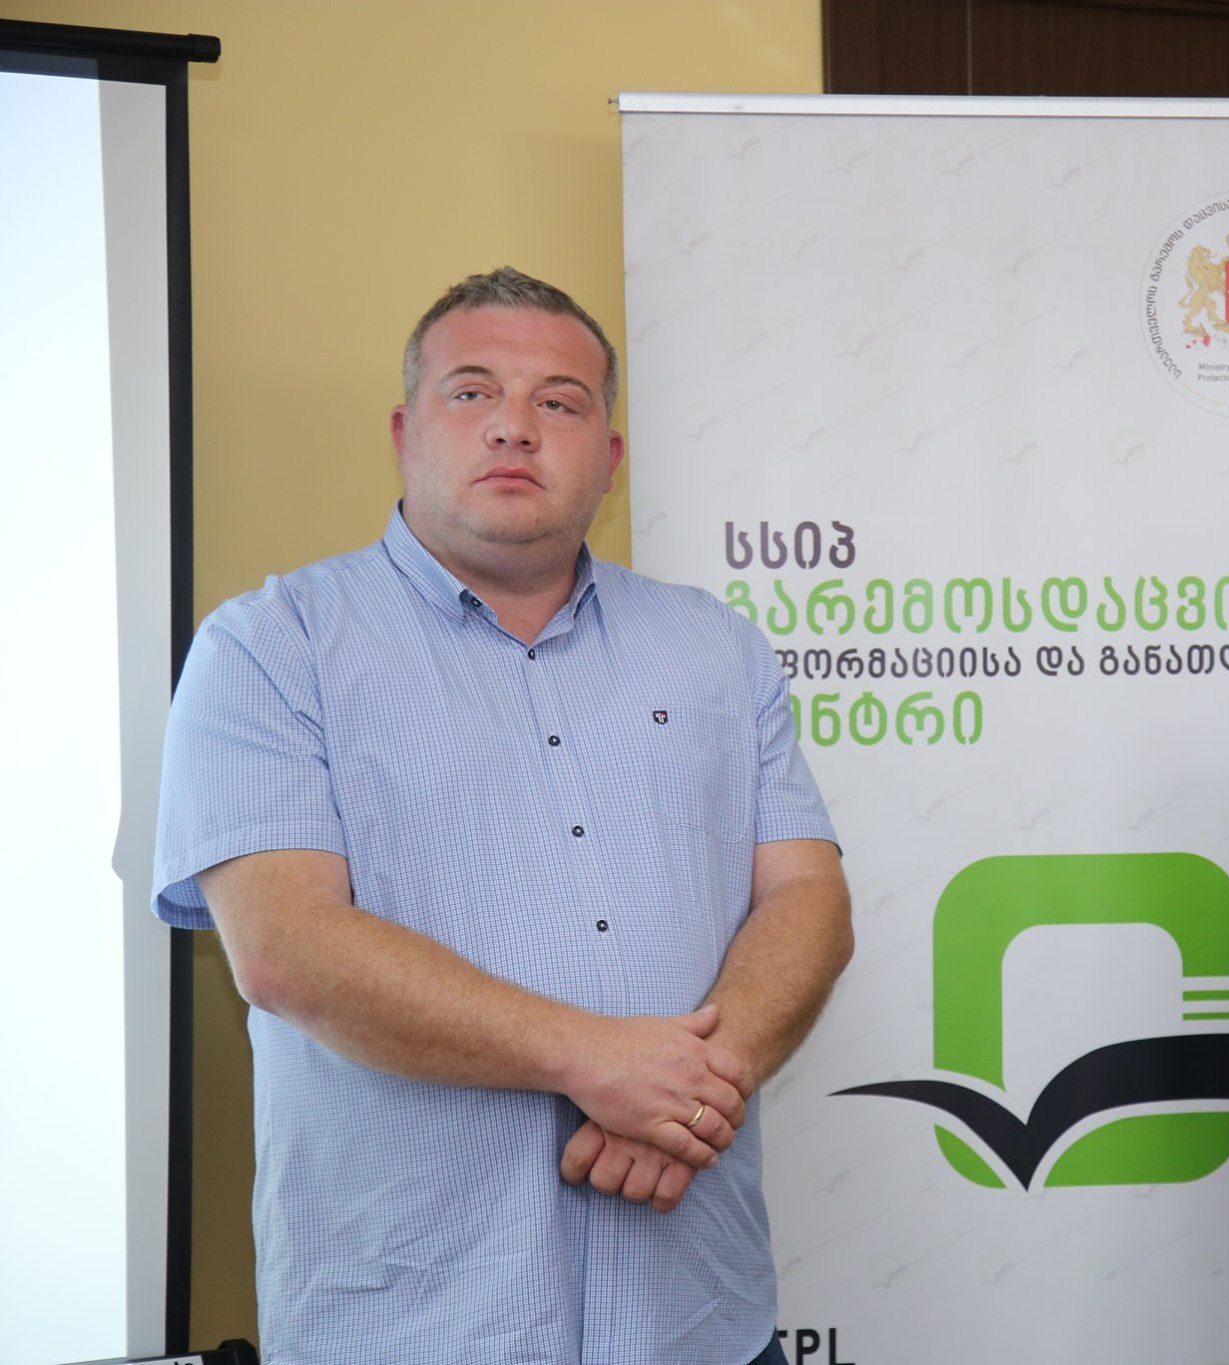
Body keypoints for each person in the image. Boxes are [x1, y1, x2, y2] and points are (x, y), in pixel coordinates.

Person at [153, 267, 852, 1364]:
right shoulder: (271, 645)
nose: (514, 427)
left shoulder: (716, 646)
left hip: (696, 1317)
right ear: (404, 432)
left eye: (558, 402)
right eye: (472, 392)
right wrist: (597, 1062)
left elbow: (808, 895)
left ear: (609, 459)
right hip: (414, 1324)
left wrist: (689, 1096)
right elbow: (286, 949)